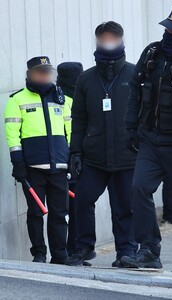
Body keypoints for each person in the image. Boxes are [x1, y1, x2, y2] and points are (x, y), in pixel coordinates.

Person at [121, 7, 172, 272]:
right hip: (151, 139)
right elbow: (135, 93)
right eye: (167, 28)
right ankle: (148, 250)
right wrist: (130, 129)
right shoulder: (152, 53)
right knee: (139, 188)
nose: (169, 33)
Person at [66, 22, 137, 267]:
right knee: (83, 199)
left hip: (127, 154)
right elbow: (79, 118)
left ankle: (126, 251)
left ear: (121, 39)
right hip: (93, 156)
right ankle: (83, 248)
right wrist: (75, 151)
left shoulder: (134, 74)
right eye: (104, 38)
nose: (108, 41)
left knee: (124, 206)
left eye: (112, 38)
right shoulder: (86, 79)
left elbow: (145, 114)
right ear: (97, 40)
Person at [4, 56, 72, 264]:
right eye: (39, 72)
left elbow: (70, 132)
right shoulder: (17, 100)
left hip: (59, 167)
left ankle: (60, 254)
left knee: (60, 213)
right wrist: (18, 164)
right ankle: (39, 254)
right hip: (33, 168)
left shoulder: (63, 99)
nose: (44, 75)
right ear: (29, 74)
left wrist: (73, 158)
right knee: (35, 213)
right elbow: (12, 135)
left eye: (47, 72)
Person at [56, 62, 84, 257]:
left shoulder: (82, 96)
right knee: (65, 209)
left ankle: (75, 249)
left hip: (78, 158)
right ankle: (66, 250)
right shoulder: (58, 99)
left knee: (76, 207)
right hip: (66, 159)